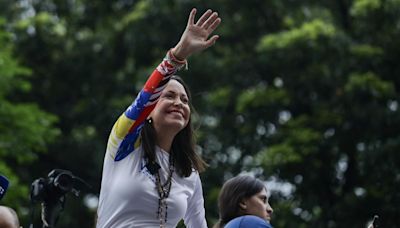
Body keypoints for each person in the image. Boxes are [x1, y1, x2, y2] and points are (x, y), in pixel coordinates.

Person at [96, 8, 221, 228]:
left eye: (184, 100)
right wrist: (178, 55)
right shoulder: (124, 144)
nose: (179, 103)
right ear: (150, 113)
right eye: (170, 96)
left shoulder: (189, 173)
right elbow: (144, 99)